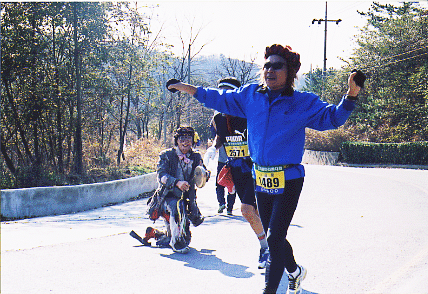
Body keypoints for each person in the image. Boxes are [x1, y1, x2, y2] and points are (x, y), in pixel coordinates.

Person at [168, 44, 361, 293]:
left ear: (290, 72)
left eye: (277, 65)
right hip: (260, 177)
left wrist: (351, 95)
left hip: (289, 178)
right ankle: (295, 271)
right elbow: (218, 97)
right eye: (267, 65)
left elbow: (333, 118)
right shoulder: (250, 96)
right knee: (274, 236)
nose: (270, 69)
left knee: (273, 238)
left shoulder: (301, 102)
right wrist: (187, 88)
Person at [204, 77, 270, 269]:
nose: (223, 100)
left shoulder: (249, 114)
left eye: (228, 95)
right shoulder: (218, 118)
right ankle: (269, 245)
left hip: (256, 168)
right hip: (236, 169)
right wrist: (212, 150)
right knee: (254, 212)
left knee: (247, 210)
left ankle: (267, 248)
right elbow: (221, 136)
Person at [145, 126, 206, 253]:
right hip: (167, 197)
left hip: (187, 199)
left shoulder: (195, 157)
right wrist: (177, 182)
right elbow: (161, 176)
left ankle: (155, 233)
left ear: (193, 140)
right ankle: (176, 243)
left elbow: (202, 172)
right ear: (177, 141)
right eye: (182, 138)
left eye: (189, 138)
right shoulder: (166, 155)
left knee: (186, 238)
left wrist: (205, 175)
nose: (185, 142)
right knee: (177, 207)